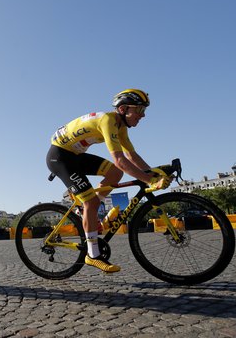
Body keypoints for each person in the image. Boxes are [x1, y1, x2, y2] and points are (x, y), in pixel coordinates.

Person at [46, 89, 172, 273]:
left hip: (75, 155)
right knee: (92, 201)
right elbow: (120, 160)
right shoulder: (108, 121)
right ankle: (92, 255)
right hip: (60, 157)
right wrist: (148, 179)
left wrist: (153, 174)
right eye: (139, 111)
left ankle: (86, 209)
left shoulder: (120, 126)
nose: (142, 116)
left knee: (114, 174)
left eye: (144, 111)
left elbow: (131, 155)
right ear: (123, 109)